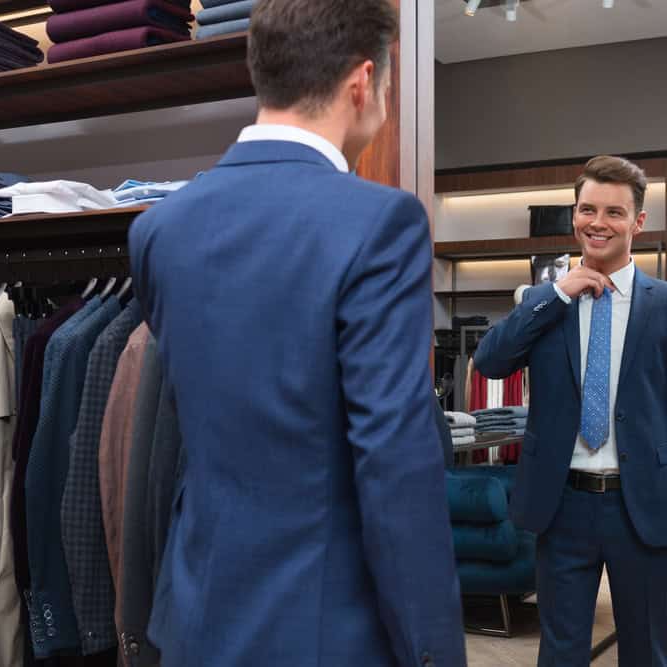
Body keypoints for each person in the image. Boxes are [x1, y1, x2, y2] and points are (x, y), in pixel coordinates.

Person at [127, 1, 466, 665]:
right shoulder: (380, 224)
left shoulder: (160, 230)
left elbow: (187, 436)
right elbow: (393, 462)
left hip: (196, 620)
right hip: (325, 633)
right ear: (362, 83)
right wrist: (432, 653)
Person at [474, 156, 667, 667]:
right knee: (560, 651)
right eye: (587, 209)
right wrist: (557, 294)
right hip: (562, 505)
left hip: (646, 507)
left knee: (649, 651)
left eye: (614, 212)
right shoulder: (547, 303)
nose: (598, 222)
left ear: (638, 222)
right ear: (573, 216)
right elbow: (491, 362)